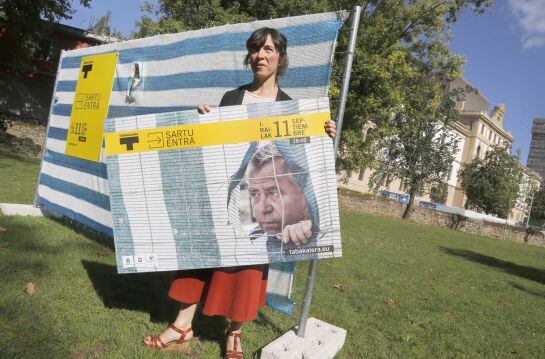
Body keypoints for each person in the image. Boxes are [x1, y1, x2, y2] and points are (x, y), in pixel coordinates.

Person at [144, 27, 336, 358]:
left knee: (247, 267)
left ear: (280, 57)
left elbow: (300, 160)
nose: (260, 55)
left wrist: (324, 135)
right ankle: (182, 325)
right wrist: (203, 121)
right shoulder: (232, 98)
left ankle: (235, 334)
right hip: (224, 192)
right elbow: (213, 150)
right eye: (255, 50)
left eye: (268, 50)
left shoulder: (291, 108)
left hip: (260, 199)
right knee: (201, 255)